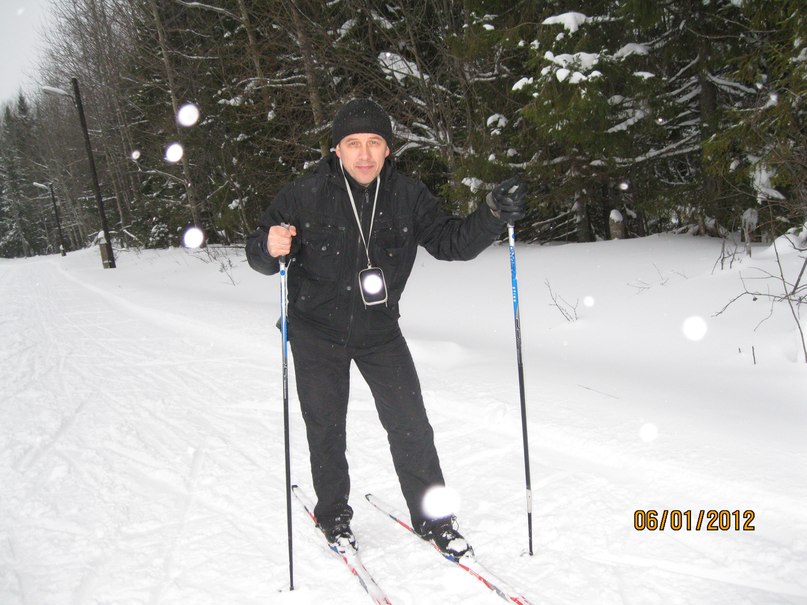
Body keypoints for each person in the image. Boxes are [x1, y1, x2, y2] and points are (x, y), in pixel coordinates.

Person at [246, 98, 526, 559]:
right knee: (326, 427)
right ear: (336, 149)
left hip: (379, 329)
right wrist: (268, 244)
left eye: (374, 142)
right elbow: (261, 252)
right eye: (353, 143)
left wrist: (492, 214)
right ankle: (333, 515)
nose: (364, 154)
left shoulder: (408, 195)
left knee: (411, 424)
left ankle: (435, 517)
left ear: (388, 149)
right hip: (316, 330)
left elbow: (452, 242)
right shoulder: (303, 195)